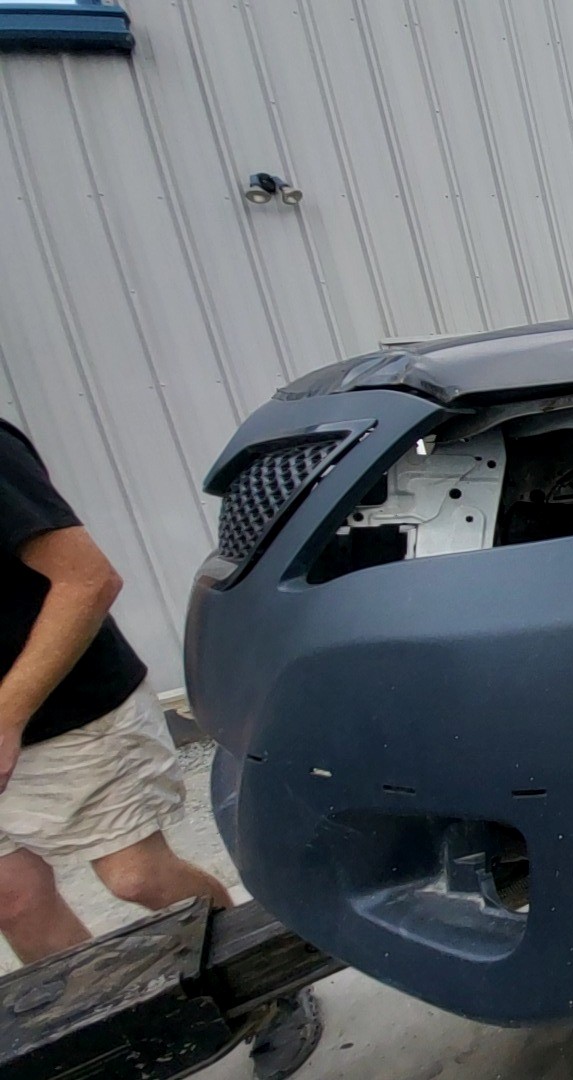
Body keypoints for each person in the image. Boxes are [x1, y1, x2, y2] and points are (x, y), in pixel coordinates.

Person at [0, 418, 319, 1078]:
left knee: (136, 877)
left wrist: (7, 713)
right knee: (14, 899)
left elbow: (87, 581)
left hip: (67, 713)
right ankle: (110, 1041)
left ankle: (268, 991)